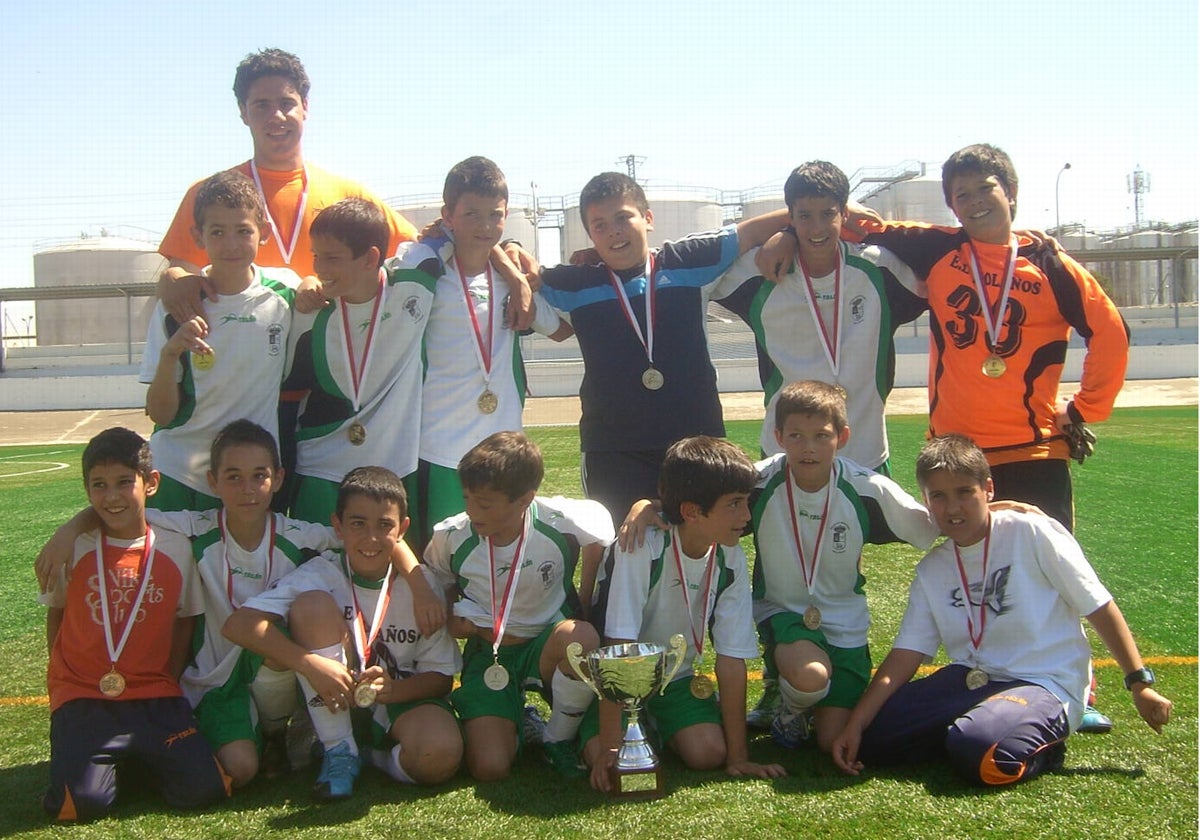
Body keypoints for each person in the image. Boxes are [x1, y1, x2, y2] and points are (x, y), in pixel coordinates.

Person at [33, 420, 443, 788]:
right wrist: (70, 530)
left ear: (278, 478)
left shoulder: (300, 534)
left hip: (278, 666)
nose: (247, 489)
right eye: (233, 477)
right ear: (213, 481)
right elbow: (121, 509)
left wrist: (419, 582)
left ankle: (289, 734)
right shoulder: (192, 529)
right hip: (219, 678)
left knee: (296, 623)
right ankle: (265, 739)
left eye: (259, 476)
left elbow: (376, 533)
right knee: (239, 768)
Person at [830, 434, 1172, 786]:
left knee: (979, 752)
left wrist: (1139, 683)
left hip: (1044, 681)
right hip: (971, 679)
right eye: (939, 497)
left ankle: (1031, 741)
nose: (953, 508)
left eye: (965, 492)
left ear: (988, 489)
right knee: (873, 740)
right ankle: (981, 724)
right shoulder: (933, 567)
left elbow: (1098, 606)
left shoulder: (1033, 532)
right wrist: (855, 723)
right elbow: (906, 654)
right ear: (927, 501)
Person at [533, 172, 790, 528]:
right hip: (614, 449)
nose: (614, 231)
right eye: (600, 225)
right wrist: (514, 252)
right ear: (590, 235)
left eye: (624, 217)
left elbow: (757, 229)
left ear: (648, 218)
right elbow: (519, 275)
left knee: (700, 546)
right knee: (623, 551)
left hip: (696, 439)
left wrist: (791, 232)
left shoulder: (687, 260)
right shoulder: (574, 284)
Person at [224, 466, 463, 800]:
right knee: (312, 607)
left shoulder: (422, 588)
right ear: (337, 525)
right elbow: (239, 625)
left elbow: (440, 678)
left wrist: (395, 690)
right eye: (357, 524)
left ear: (402, 528)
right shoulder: (320, 572)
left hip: (399, 702)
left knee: (439, 757)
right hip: (332, 700)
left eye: (384, 525)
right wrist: (309, 664)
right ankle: (339, 749)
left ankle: (372, 757)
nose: (371, 538)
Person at [38, 428, 228, 821]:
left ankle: (132, 759)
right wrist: (62, 680)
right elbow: (56, 613)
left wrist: (168, 679)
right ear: (87, 490)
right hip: (84, 696)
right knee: (79, 806)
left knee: (207, 788)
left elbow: (185, 620)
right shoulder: (72, 548)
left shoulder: (175, 547)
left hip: (154, 695)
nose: (112, 497)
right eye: (99, 485)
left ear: (151, 483)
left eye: (125, 482)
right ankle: (109, 761)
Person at [582, 436, 787, 790]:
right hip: (609, 681)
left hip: (674, 679)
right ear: (692, 511)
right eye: (735, 505)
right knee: (605, 757)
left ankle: (656, 725)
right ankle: (604, 728)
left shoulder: (730, 554)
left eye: (746, 502)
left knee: (709, 753)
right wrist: (612, 746)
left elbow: (732, 656)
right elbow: (619, 643)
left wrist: (739, 756)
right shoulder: (644, 543)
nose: (746, 516)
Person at [749, 381, 939, 753]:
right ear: (778, 436)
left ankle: (806, 701)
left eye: (822, 435)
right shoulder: (755, 482)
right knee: (810, 678)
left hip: (845, 623)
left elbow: (932, 524)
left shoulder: (868, 489)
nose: (808, 447)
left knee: (832, 740)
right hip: (781, 611)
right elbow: (697, 502)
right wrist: (646, 507)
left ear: (843, 436)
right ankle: (789, 704)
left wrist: (996, 510)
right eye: (796, 435)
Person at [157, 48, 415, 314]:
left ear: (305, 106)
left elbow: (412, 250)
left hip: (330, 348)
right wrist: (171, 279)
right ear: (243, 112)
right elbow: (181, 271)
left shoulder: (349, 194)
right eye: (261, 105)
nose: (277, 116)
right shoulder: (209, 195)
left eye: (286, 103)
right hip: (248, 346)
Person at [423, 431, 614, 781]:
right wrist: (455, 616)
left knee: (583, 636)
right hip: (491, 652)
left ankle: (558, 738)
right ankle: (520, 718)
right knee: (490, 767)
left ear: (525, 499)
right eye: (467, 498)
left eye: (484, 503)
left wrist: (584, 601)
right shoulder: (450, 537)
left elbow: (601, 530)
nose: (471, 510)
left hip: (548, 646)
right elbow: (439, 581)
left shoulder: (558, 521)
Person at [713, 161, 927, 471]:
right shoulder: (761, 272)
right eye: (804, 217)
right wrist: (781, 231)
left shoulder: (880, 270)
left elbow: (942, 271)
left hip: (866, 455)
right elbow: (699, 275)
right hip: (784, 457)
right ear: (790, 217)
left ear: (844, 214)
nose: (816, 229)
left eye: (828, 214)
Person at [401, 156, 570, 547]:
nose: (485, 226)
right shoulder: (428, 270)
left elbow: (562, 330)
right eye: (471, 214)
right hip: (440, 447)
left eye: (495, 216)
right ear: (449, 215)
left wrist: (530, 279)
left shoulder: (509, 278)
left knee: (504, 556)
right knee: (441, 557)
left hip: (504, 446)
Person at [141, 170, 298, 511]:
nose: (230, 244)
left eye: (243, 231)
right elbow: (160, 413)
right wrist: (171, 354)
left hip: (246, 479)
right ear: (197, 236)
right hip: (177, 471)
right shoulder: (176, 306)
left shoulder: (286, 293)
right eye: (217, 232)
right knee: (172, 566)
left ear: (264, 232)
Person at [283, 198, 435, 533]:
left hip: (392, 469)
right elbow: (286, 394)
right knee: (314, 569)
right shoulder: (309, 314)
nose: (320, 268)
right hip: (322, 470)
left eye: (332, 258)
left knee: (387, 577)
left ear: (370, 258)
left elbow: (438, 244)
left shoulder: (415, 288)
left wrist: (508, 250)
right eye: (315, 257)